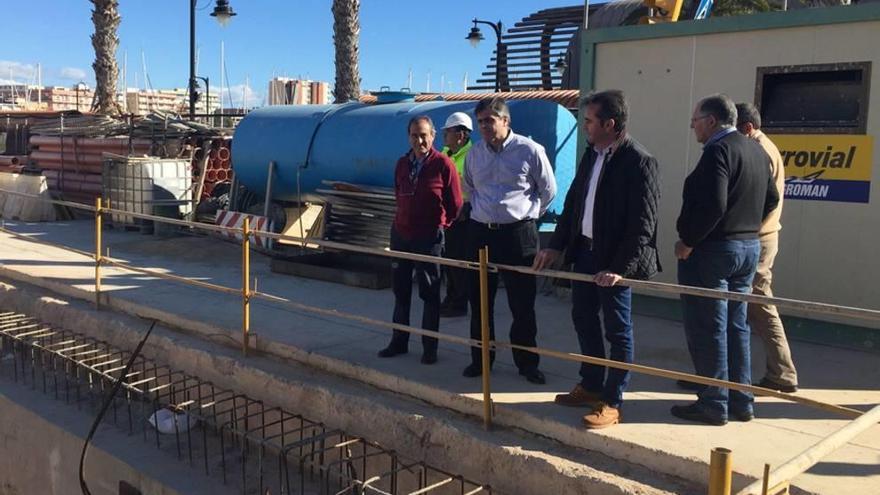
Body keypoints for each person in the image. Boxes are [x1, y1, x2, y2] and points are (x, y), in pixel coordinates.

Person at [534, 90, 661, 429]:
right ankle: (591, 385)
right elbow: (574, 205)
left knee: (618, 331)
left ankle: (612, 400)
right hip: (586, 254)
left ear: (610, 123)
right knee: (584, 318)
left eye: (589, 120)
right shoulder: (592, 155)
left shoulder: (640, 162)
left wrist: (619, 269)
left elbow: (643, 226)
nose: (584, 126)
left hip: (614, 263)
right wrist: (555, 246)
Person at [672, 94, 779, 425]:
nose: (693, 126)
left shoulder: (718, 151)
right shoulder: (755, 149)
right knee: (736, 325)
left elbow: (714, 205)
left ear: (712, 121)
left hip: (715, 252)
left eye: (696, 120)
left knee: (710, 326)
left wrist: (689, 241)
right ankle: (740, 400)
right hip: (747, 248)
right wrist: (745, 226)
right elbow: (771, 198)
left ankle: (713, 402)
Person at [462, 97, 557, 385]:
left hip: (518, 236)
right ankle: (480, 360)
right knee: (480, 302)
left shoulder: (530, 151)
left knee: (522, 305)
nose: (484, 127)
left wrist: (527, 216)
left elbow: (548, 190)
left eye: (490, 120)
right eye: (480, 122)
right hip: (481, 233)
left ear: (506, 121)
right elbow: (469, 188)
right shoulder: (474, 154)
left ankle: (527, 364)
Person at [378, 115, 463, 365]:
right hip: (401, 235)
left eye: (424, 135)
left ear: (433, 136)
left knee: (429, 293)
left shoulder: (443, 164)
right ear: (409, 137)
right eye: (415, 135)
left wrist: (440, 225)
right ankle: (399, 341)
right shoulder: (402, 164)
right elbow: (398, 193)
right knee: (401, 291)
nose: (419, 140)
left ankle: (429, 347)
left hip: (428, 238)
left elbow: (455, 203)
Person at [736, 102, 798, 393]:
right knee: (748, 306)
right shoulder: (764, 146)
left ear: (747, 128)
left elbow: (762, 200)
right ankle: (728, 371)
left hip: (758, 239)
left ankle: (782, 372)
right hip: (761, 236)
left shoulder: (759, 151)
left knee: (761, 306)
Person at [439, 112, 474, 318]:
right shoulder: (446, 153)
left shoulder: (472, 156)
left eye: (448, 131)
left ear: (461, 135)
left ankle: (459, 303)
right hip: (448, 214)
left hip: (465, 216)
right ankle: (450, 297)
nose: (444, 135)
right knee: (449, 259)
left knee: (460, 260)